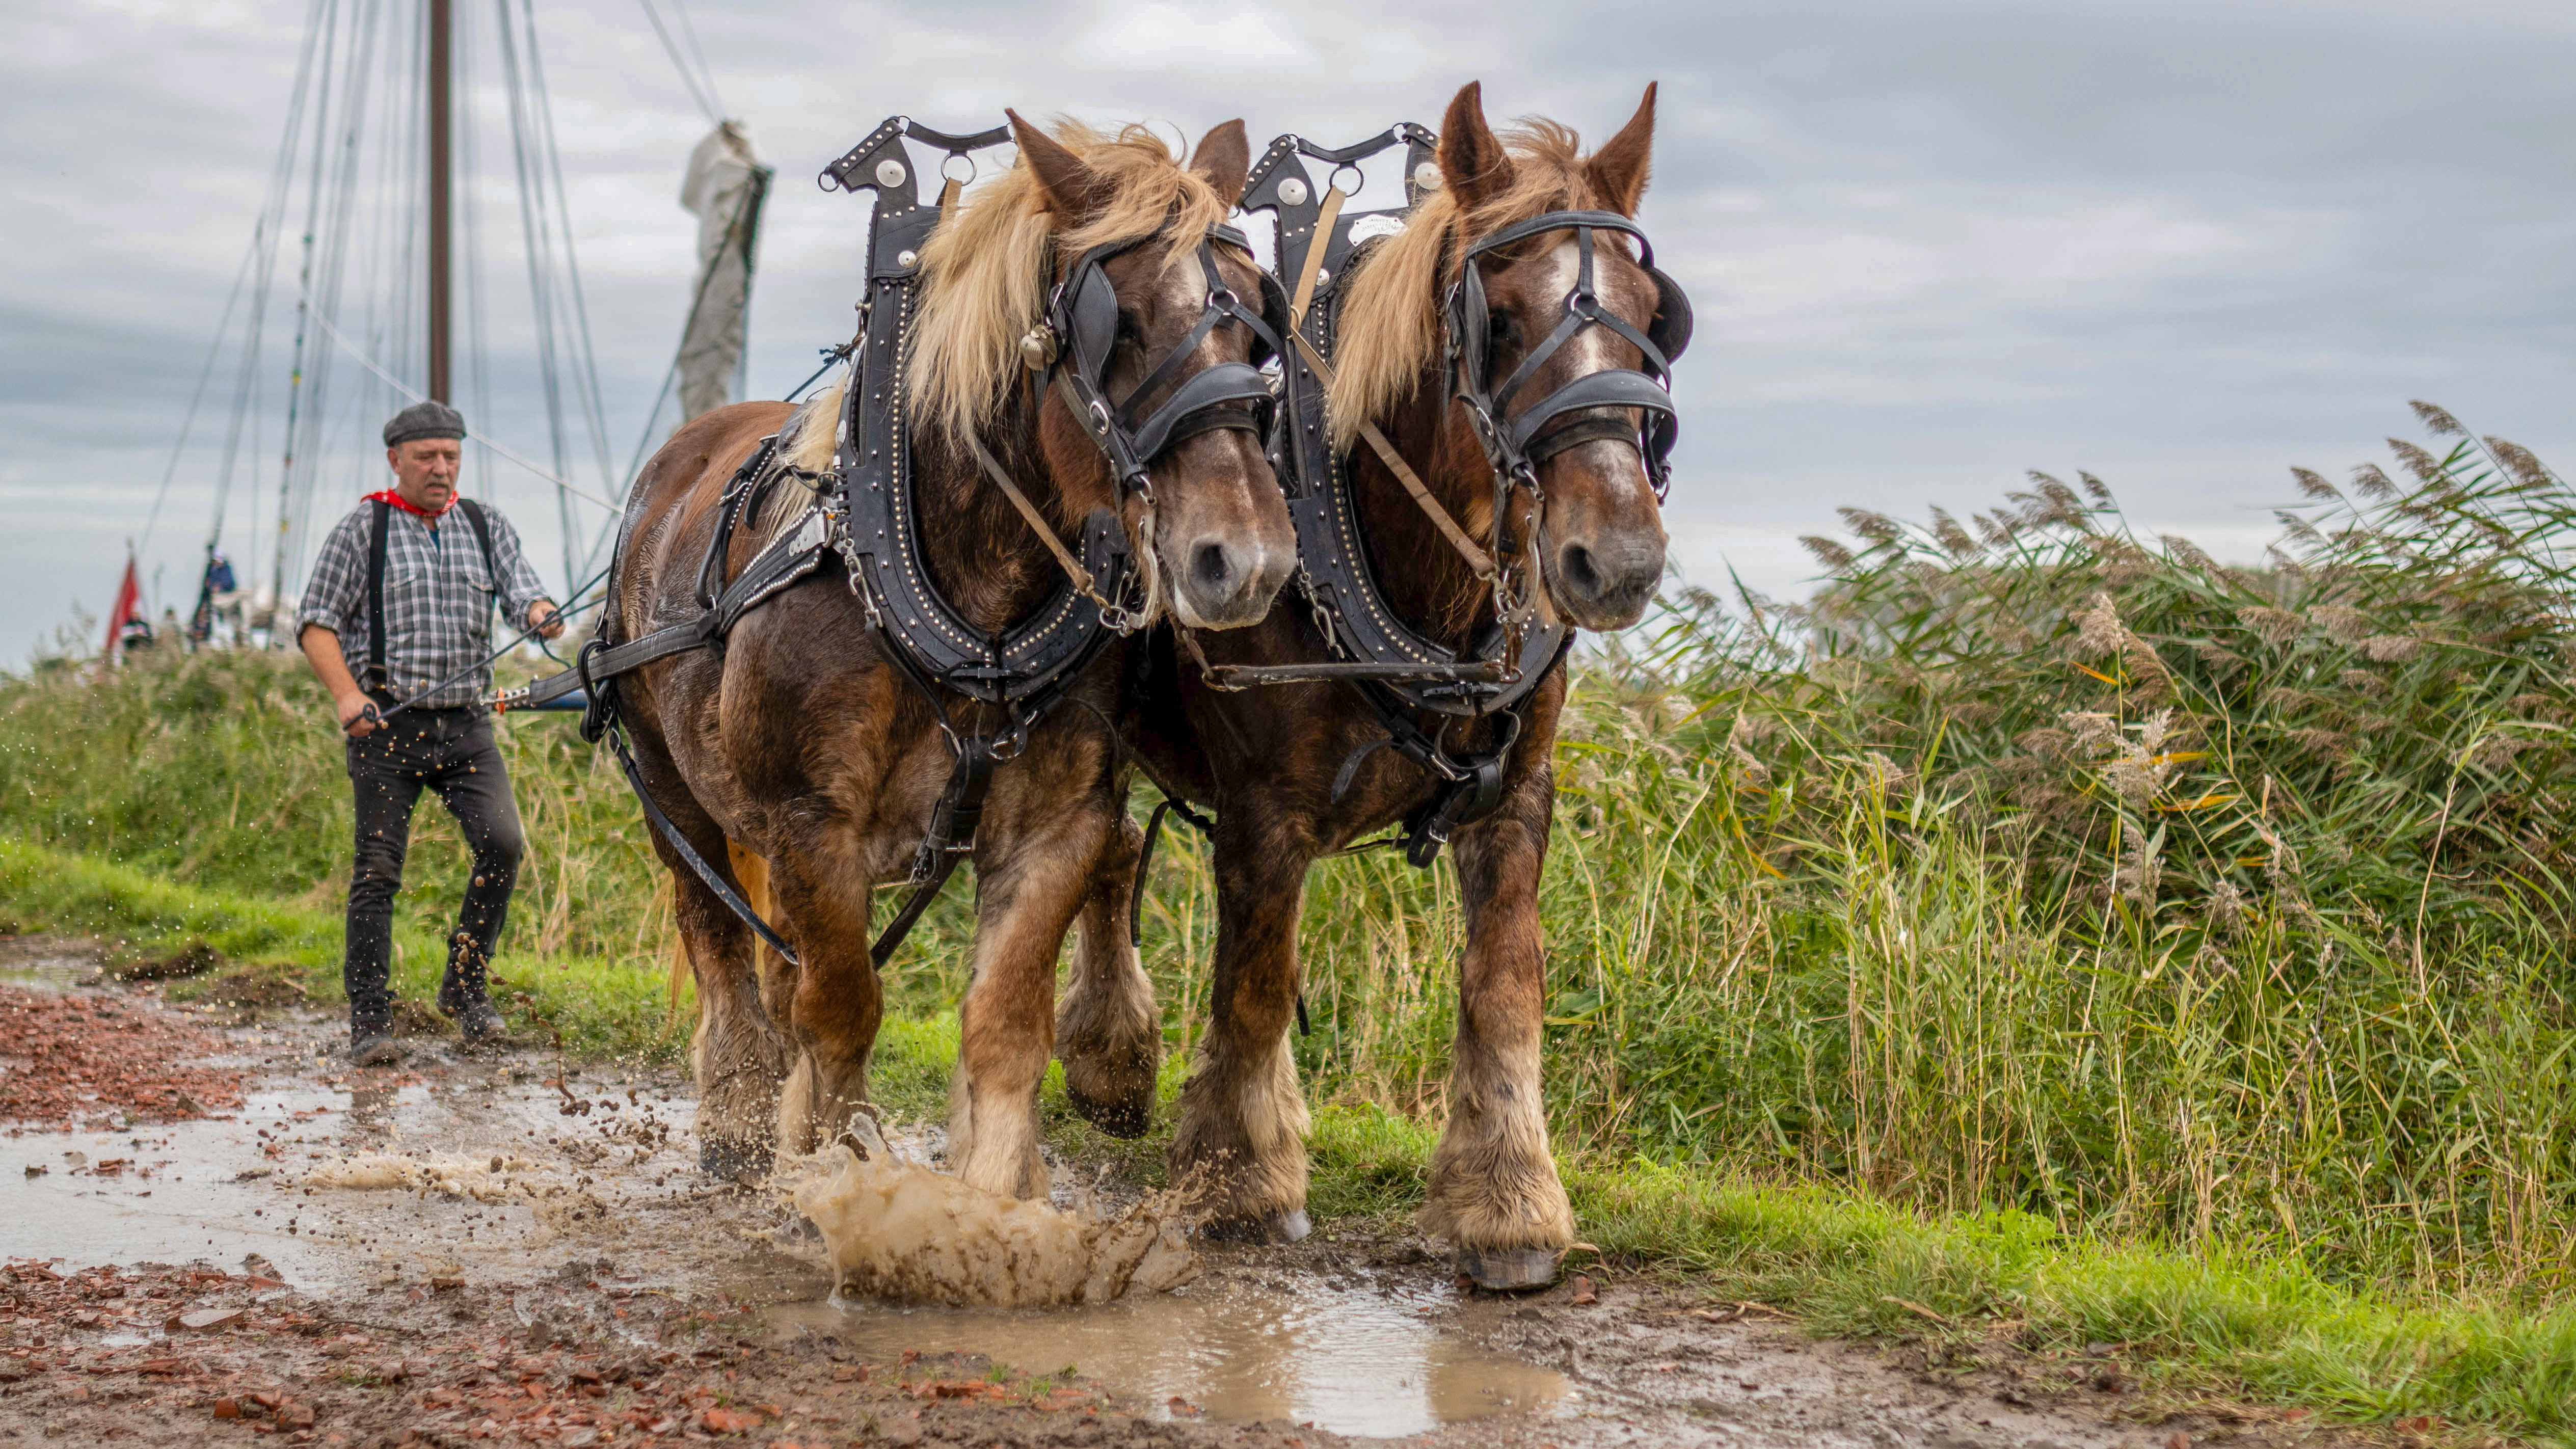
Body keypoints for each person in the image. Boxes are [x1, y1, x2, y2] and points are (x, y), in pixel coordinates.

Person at [294, 401, 564, 1065]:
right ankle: (371, 1020)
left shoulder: (483, 524)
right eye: (427, 458)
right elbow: (315, 622)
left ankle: (466, 989)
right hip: (385, 726)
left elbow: (522, 591)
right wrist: (346, 696)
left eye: (451, 457)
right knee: (378, 873)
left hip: (467, 727)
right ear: (396, 460)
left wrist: (540, 613)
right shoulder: (365, 528)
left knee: (503, 844)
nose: (441, 469)